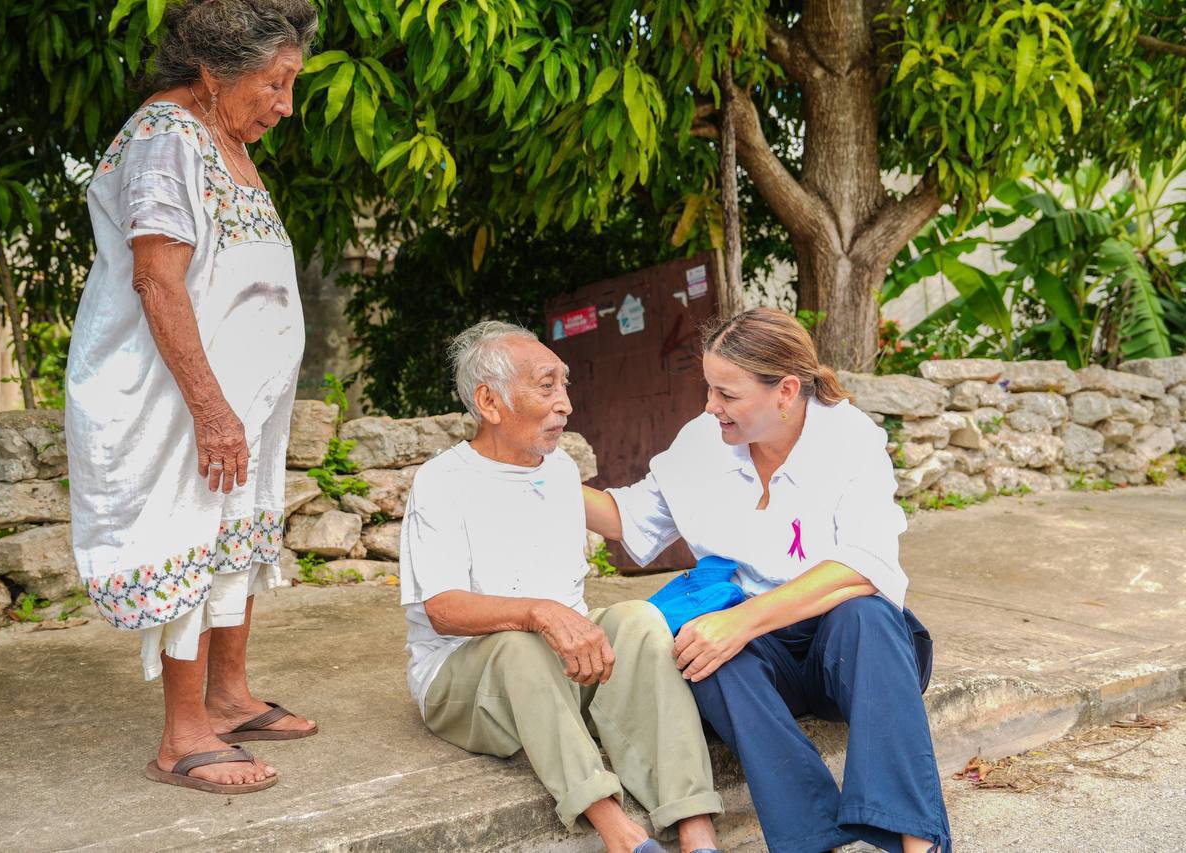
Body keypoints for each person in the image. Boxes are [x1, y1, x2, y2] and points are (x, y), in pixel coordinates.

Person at [64, 0, 319, 794]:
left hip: (233, 402)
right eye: (275, 85)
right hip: (179, 400)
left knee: (235, 537)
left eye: (290, 85)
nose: (285, 105)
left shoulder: (222, 137)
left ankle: (229, 696)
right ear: (214, 72)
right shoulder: (166, 136)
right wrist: (211, 406)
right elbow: (157, 277)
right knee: (190, 540)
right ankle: (181, 737)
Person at [585, 308, 951, 853]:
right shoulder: (702, 442)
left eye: (726, 394)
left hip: (852, 655)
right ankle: (811, 839)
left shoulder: (850, 439)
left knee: (865, 612)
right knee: (702, 649)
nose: (711, 406)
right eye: (709, 389)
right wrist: (532, 476)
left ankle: (918, 843)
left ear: (785, 391)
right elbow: (631, 517)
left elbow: (864, 564)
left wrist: (740, 621)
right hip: (764, 659)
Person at [399, 321, 724, 853]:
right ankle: (612, 823)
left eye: (564, 385)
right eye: (546, 386)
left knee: (641, 621)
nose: (565, 404)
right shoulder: (443, 481)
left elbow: (628, 517)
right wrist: (540, 612)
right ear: (489, 400)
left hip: (562, 670)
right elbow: (443, 609)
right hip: (464, 683)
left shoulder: (558, 469)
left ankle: (693, 823)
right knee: (520, 641)